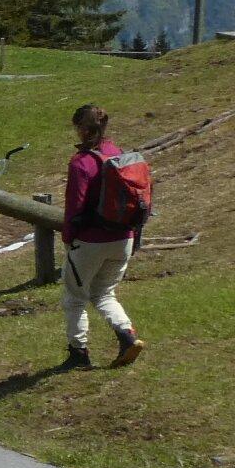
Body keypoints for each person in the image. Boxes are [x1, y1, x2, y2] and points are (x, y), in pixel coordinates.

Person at [61, 102, 147, 368]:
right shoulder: (118, 154)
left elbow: (74, 207)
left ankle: (79, 354)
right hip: (124, 238)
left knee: (75, 298)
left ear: (81, 129)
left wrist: (68, 239)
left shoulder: (81, 163)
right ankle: (127, 335)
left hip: (91, 241)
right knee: (104, 293)